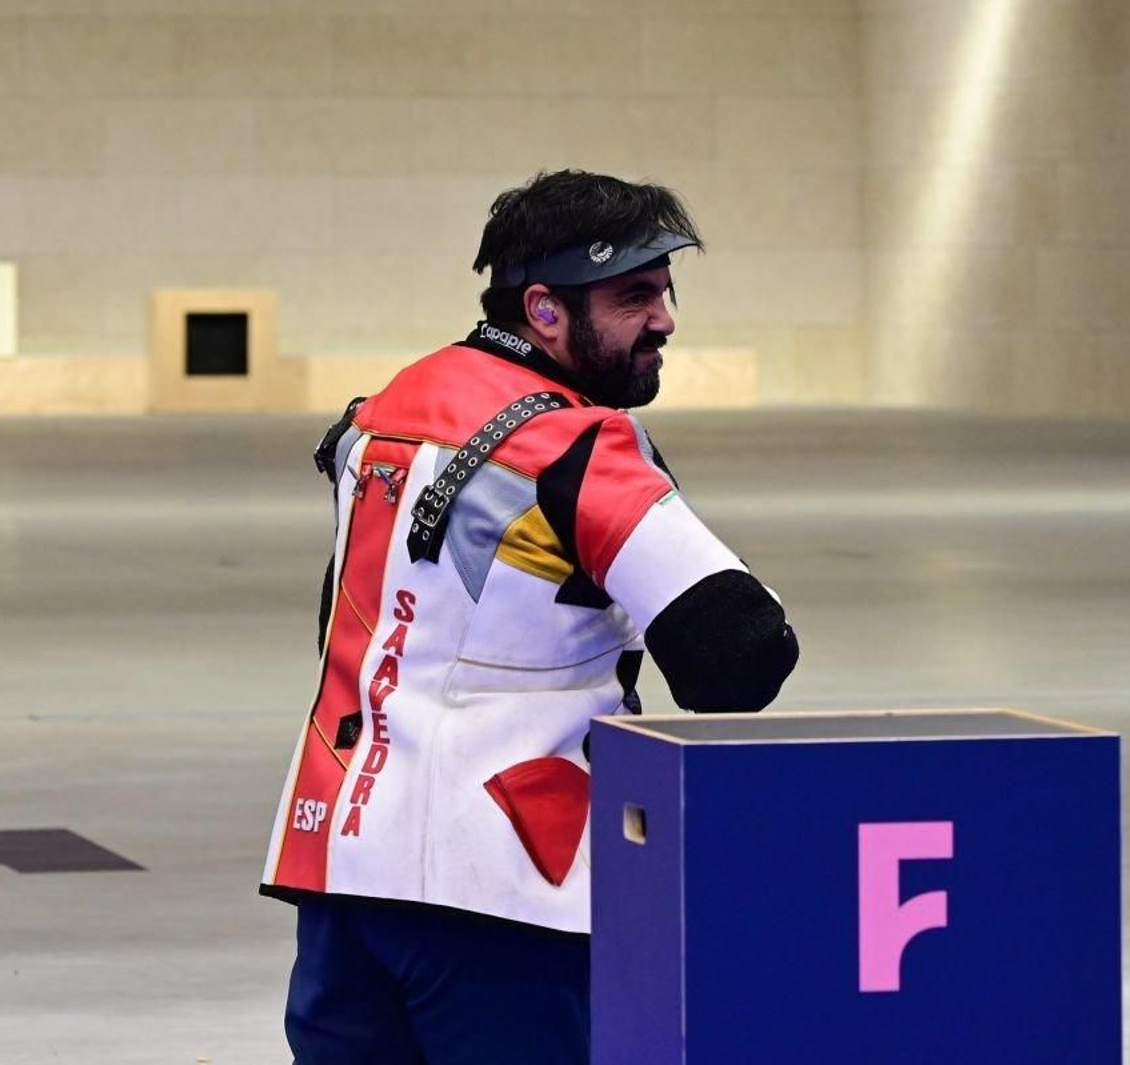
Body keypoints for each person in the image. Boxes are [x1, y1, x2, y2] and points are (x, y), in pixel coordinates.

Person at [261, 169, 799, 1065]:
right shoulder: (577, 443)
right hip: (509, 890)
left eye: (665, 290)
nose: (664, 318)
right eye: (634, 294)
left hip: (343, 875)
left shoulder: (385, 412)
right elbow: (741, 662)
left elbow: (345, 615)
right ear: (544, 310)